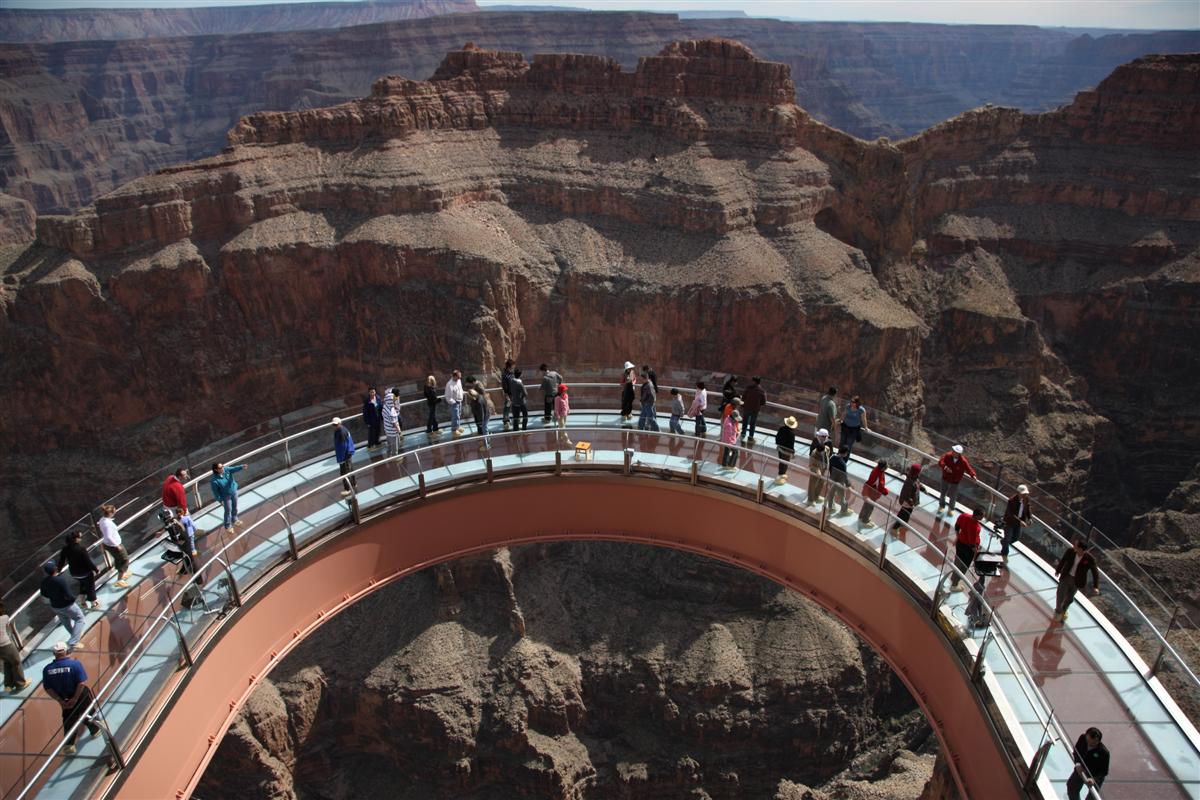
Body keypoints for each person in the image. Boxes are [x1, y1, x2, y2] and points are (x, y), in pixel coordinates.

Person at [42, 642, 102, 756]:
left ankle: (69, 745)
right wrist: (75, 699)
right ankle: (96, 730)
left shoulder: (47, 669)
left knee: (69, 719)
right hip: (80, 695)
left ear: (54, 654)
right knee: (88, 711)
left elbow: (48, 688)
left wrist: (60, 701)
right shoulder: (75, 664)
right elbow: (81, 683)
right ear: (65, 651)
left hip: (64, 698)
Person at [40, 562, 85, 649]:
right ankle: (73, 641)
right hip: (67, 605)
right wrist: (74, 599)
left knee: (66, 622)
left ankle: (75, 636)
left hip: (55, 606)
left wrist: (54, 596)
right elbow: (68, 595)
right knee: (80, 619)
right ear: (55, 569)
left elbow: (44, 593)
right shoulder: (60, 580)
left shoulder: (44, 582)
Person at [1054, 538, 1100, 622]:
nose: (1073, 546)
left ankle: (1063, 611)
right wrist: (1058, 570)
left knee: (1069, 599)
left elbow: (1095, 572)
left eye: (1076, 545)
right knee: (1060, 594)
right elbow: (1063, 560)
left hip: (1077, 581)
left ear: (1081, 549)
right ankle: (1058, 612)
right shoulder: (1070, 551)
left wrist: (1095, 586)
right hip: (1066, 577)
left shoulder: (1089, 559)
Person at [58, 531, 100, 610]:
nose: (80, 539)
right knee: (90, 587)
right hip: (85, 572)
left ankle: (83, 603)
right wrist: (96, 569)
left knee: (83, 584)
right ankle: (94, 603)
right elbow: (88, 561)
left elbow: (61, 561)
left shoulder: (65, 549)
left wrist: (59, 570)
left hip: (74, 573)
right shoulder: (81, 549)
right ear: (75, 539)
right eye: (79, 537)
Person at [1067, 727, 1109, 800]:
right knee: (1071, 787)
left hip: (1095, 776)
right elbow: (1076, 751)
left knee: (1092, 797)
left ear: (1098, 742)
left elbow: (1103, 772)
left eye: (1093, 743)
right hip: (1081, 768)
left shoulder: (1104, 753)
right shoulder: (1082, 738)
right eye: (1088, 741)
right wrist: (1077, 763)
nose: (1089, 744)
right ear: (1086, 736)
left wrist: (1094, 779)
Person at [936, 444, 977, 515]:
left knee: (953, 496)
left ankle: (951, 509)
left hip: (955, 481)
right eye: (953, 450)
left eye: (955, 451)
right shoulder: (948, 455)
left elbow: (968, 468)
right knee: (943, 494)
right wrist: (945, 468)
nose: (953, 452)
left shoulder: (963, 461)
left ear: (959, 453)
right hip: (945, 478)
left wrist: (973, 475)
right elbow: (941, 462)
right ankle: (941, 506)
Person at [97, 504, 131, 587]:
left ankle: (122, 573)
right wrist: (117, 545)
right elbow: (108, 536)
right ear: (111, 513)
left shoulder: (102, 520)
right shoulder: (107, 523)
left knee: (118, 559)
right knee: (125, 560)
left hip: (107, 544)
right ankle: (120, 580)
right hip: (114, 545)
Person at [950, 507, 983, 591]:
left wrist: (957, 537)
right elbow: (972, 544)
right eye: (981, 516)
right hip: (968, 549)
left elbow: (957, 527)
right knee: (963, 566)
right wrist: (976, 554)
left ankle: (953, 579)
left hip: (960, 544)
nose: (982, 518)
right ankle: (954, 584)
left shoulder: (964, 516)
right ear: (977, 516)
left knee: (958, 561)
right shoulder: (974, 527)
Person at [0, 601, 29, 692]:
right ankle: (21, 684)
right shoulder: (5, 617)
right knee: (16, 662)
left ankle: (8, 686)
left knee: (7, 663)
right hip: (6, 644)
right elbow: (11, 629)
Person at [210, 462, 246, 532]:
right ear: (216, 470)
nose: (223, 468)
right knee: (228, 511)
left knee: (235, 507)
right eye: (220, 468)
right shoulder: (214, 481)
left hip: (234, 492)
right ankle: (228, 526)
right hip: (226, 497)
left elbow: (234, 469)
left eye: (222, 466)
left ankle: (235, 519)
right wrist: (220, 500)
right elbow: (216, 492)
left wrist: (241, 466)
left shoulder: (226, 470)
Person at [1001, 484, 1032, 563]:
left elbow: (1028, 508)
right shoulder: (1011, 501)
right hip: (1010, 522)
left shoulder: (1026, 499)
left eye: (1026, 494)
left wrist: (1030, 518)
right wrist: (1020, 521)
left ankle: (1004, 542)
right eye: (1023, 494)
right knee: (1007, 538)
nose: (1025, 495)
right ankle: (1004, 555)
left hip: (1018, 523)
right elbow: (1010, 514)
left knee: (1015, 538)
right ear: (1018, 493)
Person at [892, 464, 922, 536]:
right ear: (917, 472)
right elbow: (906, 495)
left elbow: (918, 484)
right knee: (903, 514)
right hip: (907, 503)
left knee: (907, 514)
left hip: (911, 503)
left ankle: (903, 524)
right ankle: (895, 528)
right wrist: (911, 503)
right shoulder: (909, 482)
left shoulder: (915, 478)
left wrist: (922, 488)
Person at [859, 459, 890, 528]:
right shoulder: (879, 474)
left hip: (868, 491)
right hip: (872, 493)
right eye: (886, 466)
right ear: (883, 468)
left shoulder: (876, 469)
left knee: (866, 505)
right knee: (870, 507)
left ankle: (861, 517)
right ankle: (865, 520)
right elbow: (880, 487)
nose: (887, 466)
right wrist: (886, 492)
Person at [806, 429, 833, 505]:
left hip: (823, 467)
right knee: (813, 483)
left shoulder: (827, 446)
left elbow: (829, 453)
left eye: (825, 437)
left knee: (821, 482)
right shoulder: (814, 447)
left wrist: (826, 466)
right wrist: (816, 469)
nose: (825, 438)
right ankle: (810, 500)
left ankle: (816, 496)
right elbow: (811, 462)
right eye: (823, 436)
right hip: (815, 465)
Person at [332, 417, 357, 496]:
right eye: (333, 425)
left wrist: (341, 459)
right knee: (350, 469)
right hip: (347, 454)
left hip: (345, 455)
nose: (334, 426)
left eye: (336, 424)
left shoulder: (341, 432)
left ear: (340, 423)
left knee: (344, 472)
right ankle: (353, 484)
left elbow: (343, 446)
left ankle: (348, 489)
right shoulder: (340, 430)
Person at [467, 377, 493, 449]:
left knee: (485, 429)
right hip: (486, 414)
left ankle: (487, 445)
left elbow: (481, 412)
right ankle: (486, 441)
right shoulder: (479, 397)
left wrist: (481, 422)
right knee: (485, 429)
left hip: (485, 416)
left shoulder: (478, 401)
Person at [741, 376, 767, 443]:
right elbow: (763, 402)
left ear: (754, 381)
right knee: (752, 423)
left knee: (745, 422)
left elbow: (743, 398)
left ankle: (743, 434)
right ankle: (750, 437)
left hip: (747, 408)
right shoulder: (762, 391)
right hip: (755, 410)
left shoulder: (748, 388)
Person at [828, 446, 852, 515]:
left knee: (831, 494)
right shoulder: (842, 464)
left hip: (832, 479)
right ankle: (844, 511)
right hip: (839, 482)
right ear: (845, 453)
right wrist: (848, 485)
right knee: (842, 496)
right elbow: (844, 476)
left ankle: (831, 508)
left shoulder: (832, 458)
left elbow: (830, 468)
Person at [774, 415, 798, 482]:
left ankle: (780, 474)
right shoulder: (792, 434)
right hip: (786, 452)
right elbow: (791, 445)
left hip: (780, 449)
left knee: (781, 462)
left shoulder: (781, 428)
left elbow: (777, 438)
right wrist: (793, 452)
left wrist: (778, 444)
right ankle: (781, 477)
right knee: (785, 464)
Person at [382, 387, 403, 457]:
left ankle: (388, 455)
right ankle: (395, 458)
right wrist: (399, 432)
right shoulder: (392, 411)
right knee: (395, 447)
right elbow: (394, 423)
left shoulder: (385, 406)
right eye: (393, 400)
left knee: (389, 445)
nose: (395, 401)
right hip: (393, 432)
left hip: (387, 430)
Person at [444, 370, 465, 437]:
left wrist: (462, 397)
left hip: (460, 401)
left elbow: (461, 389)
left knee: (459, 415)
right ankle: (454, 430)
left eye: (460, 377)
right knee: (455, 416)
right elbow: (447, 396)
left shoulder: (458, 381)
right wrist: (453, 403)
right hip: (454, 403)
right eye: (458, 377)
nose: (459, 378)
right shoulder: (449, 384)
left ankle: (458, 427)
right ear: (454, 376)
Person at [554, 383, 571, 448]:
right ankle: (566, 440)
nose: (565, 391)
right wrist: (557, 415)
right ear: (561, 391)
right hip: (560, 416)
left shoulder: (566, 395)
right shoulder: (557, 398)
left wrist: (568, 409)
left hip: (565, 414)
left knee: (563, 426)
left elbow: (567, 404)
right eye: (564, 390)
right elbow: (556, 408)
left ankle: (561, 436)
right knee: (563, 427)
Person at [500, 358, 515, 431]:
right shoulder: (505, 375)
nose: (514, 367)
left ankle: (516, 419)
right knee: (507, 408)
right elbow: (504, 386)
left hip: (514, 393)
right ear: (510, 366)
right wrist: (507, 396)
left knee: (515, 407)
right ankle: (506, 422)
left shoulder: (512, 373)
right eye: (513, 365)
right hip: (509, 394)